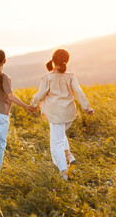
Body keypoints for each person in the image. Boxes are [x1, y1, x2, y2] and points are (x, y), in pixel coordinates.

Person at [30, 49, 94, 180]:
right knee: (60, 134)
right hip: (68, 115)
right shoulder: (71, 76)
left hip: (55, 115)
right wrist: (86, 107)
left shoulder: (47, 78)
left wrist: (33, 105)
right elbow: (79, 92)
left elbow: (39, 95)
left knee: (56, 144)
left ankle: (64, 173)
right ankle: (69, 156)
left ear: (53, 62)